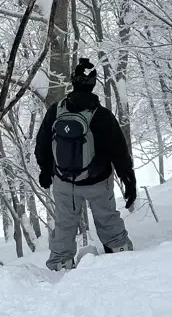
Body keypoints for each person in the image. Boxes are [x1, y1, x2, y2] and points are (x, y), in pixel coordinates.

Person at [35, 57, 137, 271]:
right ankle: (119, 252)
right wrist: (128, 180)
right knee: (107, 218)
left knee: (64, 224)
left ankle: (60, 264)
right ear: (93, 84)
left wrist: (45, 170)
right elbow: (119, 150)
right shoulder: (102, 115)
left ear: (73, 82)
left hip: (64, 182)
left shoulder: (56, 110)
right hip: (97, 181)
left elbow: (42, 142)